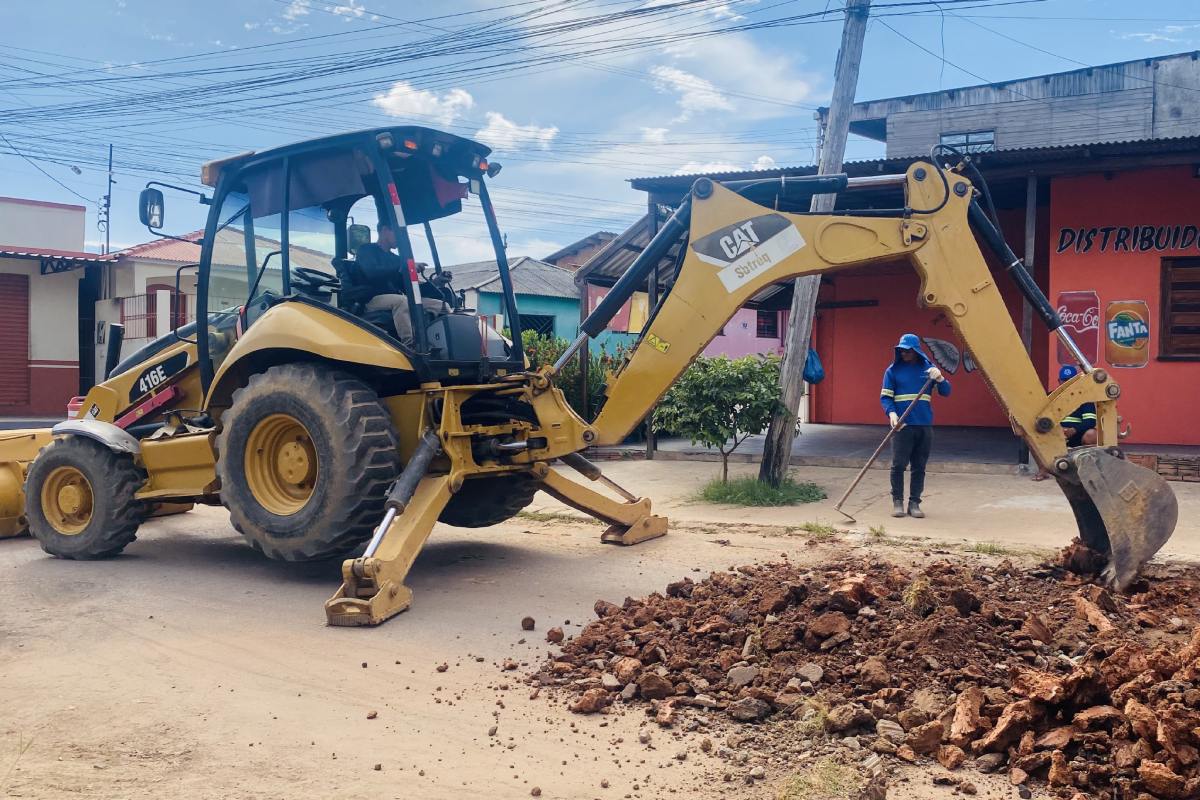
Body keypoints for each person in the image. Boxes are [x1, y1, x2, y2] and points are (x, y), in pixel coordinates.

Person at [880, 333, 951, 518]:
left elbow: (946, 392)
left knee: (919, 466)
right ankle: (897, 502)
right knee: (898, 465)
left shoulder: (929, 370)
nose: (904, 353)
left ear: (916, 351)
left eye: (907, 351)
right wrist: (892, 413)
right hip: (902, 425)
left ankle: (914, 503)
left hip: (924, 425)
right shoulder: (892, 371)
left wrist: (940, 378)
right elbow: (886, 397)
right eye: (901, 350)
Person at [355, 222, 447, 345]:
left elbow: (407, 286)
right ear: (385, 230)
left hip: (398, 298)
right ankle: (410, 345)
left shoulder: (396, 259)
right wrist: (406, 266)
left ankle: (443, 344)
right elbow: (373, 273)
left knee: (440, 305)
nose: (401, 238)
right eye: (398, 233)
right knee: (402, 301)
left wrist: (436, 282)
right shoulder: (366, 250)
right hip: (371, 299)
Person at [1031, 365, 1098, 481]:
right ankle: (1043, 469)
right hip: (1054, 436)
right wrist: (1058, 431)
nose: (1067, 384)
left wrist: (1073, 430)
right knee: (1031, 436)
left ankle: (1086, 469)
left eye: (1070, 381)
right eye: (1064, 381)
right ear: (1059, 381)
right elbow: (1040, 420)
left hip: (1077, 436)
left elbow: (1090, 421)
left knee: (1092, 434)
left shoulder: (1085, 398)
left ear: (1077, 381)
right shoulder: (1050, 398)